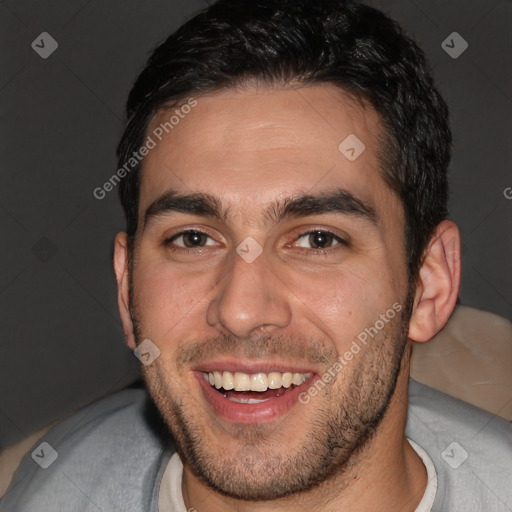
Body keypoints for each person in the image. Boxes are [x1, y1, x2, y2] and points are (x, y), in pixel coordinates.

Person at [2, 0, 511, 510]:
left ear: (429, 284)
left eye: (317, 239)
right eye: (193, 239)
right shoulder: (48, 489)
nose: (242, 311)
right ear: (125, 285)